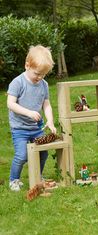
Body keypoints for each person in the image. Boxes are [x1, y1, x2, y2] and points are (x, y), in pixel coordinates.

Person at [7, 45, 57, 191]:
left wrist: (50, 121)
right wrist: (28, 112)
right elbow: (10, 104)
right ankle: (14, 180)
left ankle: (37, 176)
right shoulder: (18, 82)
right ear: (27, 65)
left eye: (44, 74)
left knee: (43, 152)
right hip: (20, 128)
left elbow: (46, 105)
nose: (40, 77)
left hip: (36, 127)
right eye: (37, 74)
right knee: (22, 155)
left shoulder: (43, 85)